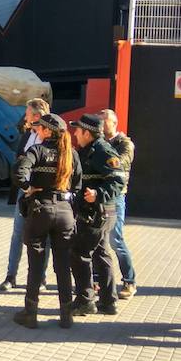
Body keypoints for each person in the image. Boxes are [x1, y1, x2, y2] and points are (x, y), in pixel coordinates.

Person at [12, 113, 81, 329]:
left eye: (40, 128)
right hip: (65, 212)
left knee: (36, 264)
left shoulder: (37, 150)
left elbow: (19, 173)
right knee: (62, 265)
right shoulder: (72, 154)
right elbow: (77, 186)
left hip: (41, 210)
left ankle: (30, 314)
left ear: (48, 131)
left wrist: (28, 189)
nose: (37, 131)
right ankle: (66, 316)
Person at [68, 114, 125, 316]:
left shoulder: (102, 150)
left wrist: (98, 194)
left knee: (79, 253)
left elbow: (118, 179)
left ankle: (85, 300)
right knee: (101, 254)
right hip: (95, 213)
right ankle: (109, 301)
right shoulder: (88, 151)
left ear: (87, 133)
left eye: (77, 130)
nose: (75, 133)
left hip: (98, 213)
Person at [0, 98, 51, 291]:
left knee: (43, 238)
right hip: (24, 191)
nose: (25, 116)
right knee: (18, 234)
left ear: (37, 116)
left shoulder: (51, 137)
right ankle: (10, 277)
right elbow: (19, 159)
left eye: (27, 113)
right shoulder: (27, 134)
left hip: (42, 193)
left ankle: (41, 279)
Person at [99, 109, 138, 298]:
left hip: (116, 197)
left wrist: (102, 159)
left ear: (114, 122)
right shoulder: (98, 142)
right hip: (98, 196)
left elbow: (120, 163)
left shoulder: (125, 143)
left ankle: (129, 281)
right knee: (98, 240)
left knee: (116, 240)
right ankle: (98, 281)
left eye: (104, 120)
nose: (101, 124)